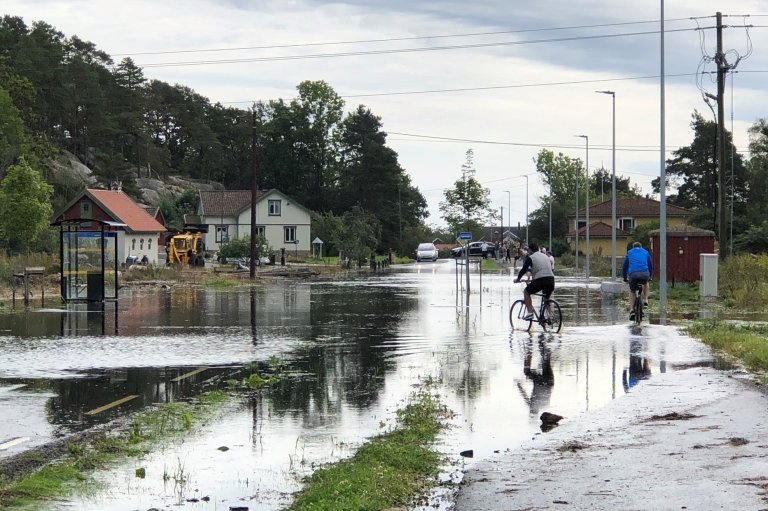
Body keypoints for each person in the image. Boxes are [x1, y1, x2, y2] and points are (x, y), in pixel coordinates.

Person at [514, 242, 555, 320]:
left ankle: (530, 313)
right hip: (551, 279)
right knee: (546, 298)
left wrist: (518, 279)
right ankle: (550, 316)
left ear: (530, 250)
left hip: (541, 279)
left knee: (526, 292)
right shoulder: (545, 256)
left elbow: (523, 270)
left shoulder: (531, 258)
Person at [622, 241, 653, 321]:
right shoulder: (646, 252)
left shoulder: (629, 253)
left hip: (633, 274)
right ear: (641, 247)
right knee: (646, 283)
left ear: (633, 247)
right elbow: (650, 265)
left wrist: (625, 277)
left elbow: (625, 267)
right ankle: (645, 300)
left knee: (632, 291)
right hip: (644, 274)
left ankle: (632, 310)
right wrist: (650, 276)